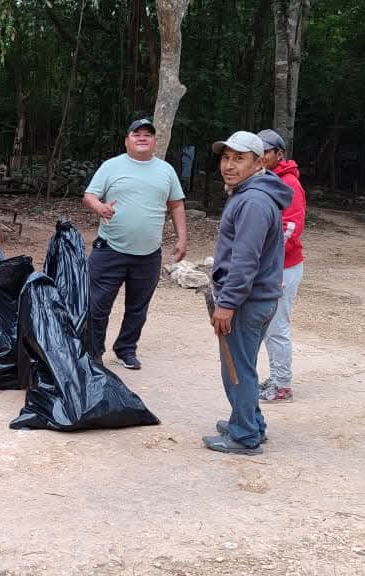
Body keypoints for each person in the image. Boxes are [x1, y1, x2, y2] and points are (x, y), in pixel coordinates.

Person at [202, 131, 293, 456]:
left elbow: (245, 260)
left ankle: (244, 436)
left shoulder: (253, 201)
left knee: (236, 369)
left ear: (259, 163)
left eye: (239, 158)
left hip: (246, 301)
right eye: (225, 158)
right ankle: (250, 422)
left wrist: (226, 304)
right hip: (255, 298)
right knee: (243, 365)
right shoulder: (248, 194)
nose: (229, 165)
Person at [82, 118, 187, 370]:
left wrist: (182, 237)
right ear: (127, 140)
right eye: (136, 133)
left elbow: (176, 204)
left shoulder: (166, 171)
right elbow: (89, 195)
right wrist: (100, 207)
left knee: (138, 308)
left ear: (154, 141)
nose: (142, 138)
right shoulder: (111, 166)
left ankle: (126, 350)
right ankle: (93, 353)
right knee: (97, 305)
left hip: (149, 254)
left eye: (147, 134)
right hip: (109, 250)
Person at [256, 129, 307, 403]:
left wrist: (266, 257)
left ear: (279, 154)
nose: (262, 156)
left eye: (267, 151)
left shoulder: (288, 184)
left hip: (283, 266)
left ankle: (282, 383)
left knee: (277, 325)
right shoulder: (265, 180)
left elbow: (291, 228)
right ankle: (276, 377)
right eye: (259, 150)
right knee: (266, 324)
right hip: (270, 266)